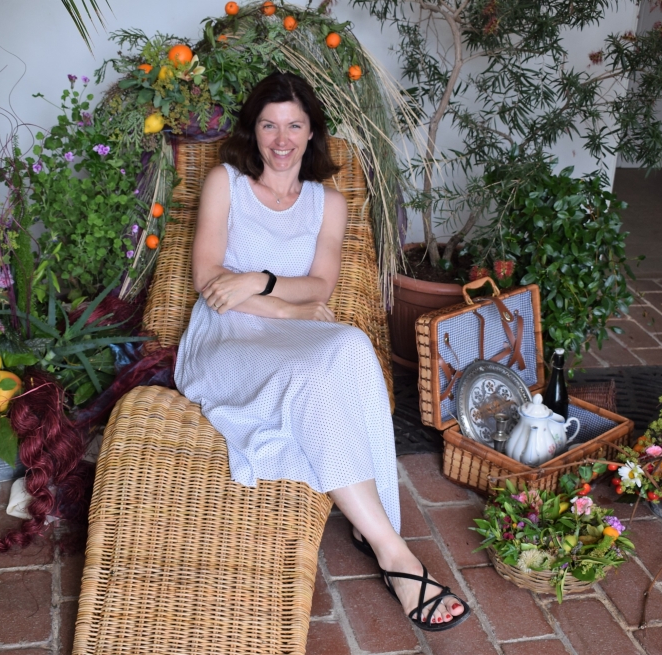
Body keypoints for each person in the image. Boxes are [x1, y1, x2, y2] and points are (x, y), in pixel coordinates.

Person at [174, 72, 468, 631]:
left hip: (280, 328)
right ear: (253, 130)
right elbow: (211, 283)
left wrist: (258, 281)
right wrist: (289, 309)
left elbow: (320, 288)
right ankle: (395, 555)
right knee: (310, 377)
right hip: (225, 338)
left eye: (294, 126)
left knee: (352, 344)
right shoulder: (225, 183)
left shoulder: (326, 203)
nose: (281, 139)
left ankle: (367, 521)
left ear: (312, 132)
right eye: (269, 125)